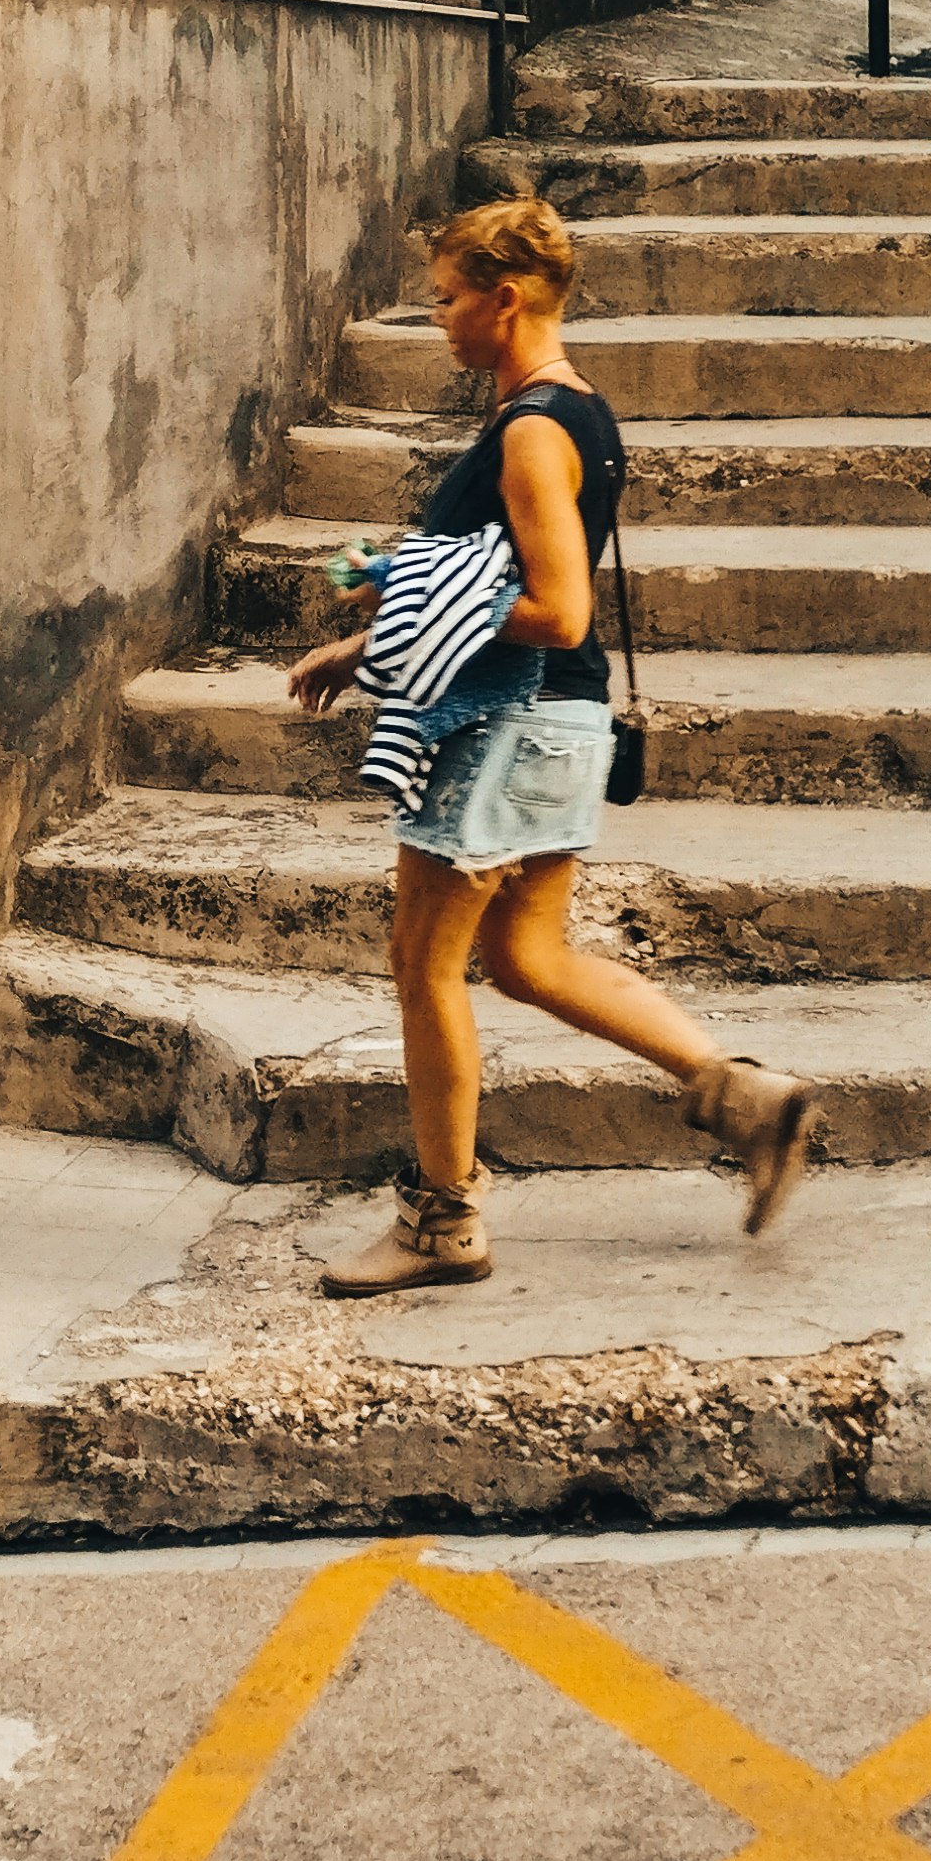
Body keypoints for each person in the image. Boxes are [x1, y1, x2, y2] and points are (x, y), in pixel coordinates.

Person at [284, 192, 814, 1292]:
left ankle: (442, 1222)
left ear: (505, 297)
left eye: (445, 297)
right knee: (528, 957)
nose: (436, 318)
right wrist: (366, 639)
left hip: (504, 727)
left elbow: (557, 606)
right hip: (562, 724)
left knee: (423, 964)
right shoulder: (579, 411)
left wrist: (408, 613)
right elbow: (503, 587)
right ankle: (746, 1097)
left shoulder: (528, 429)